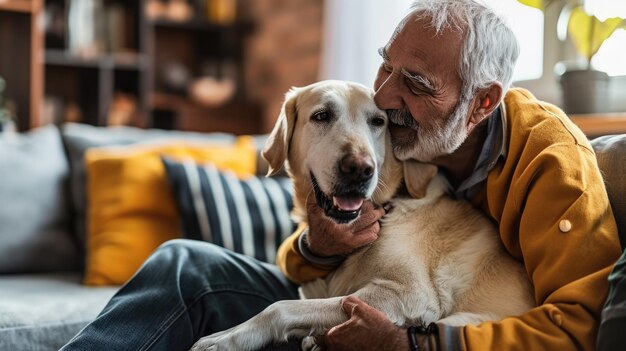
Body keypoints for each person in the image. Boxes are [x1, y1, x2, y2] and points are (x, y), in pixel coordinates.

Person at [62, 0, 621, 350]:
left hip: (436, 325)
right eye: (385, 65)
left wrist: (414, 344)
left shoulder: (551, 164)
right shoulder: (396, 129)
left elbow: (580, 325)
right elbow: (308, 254)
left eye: (417, 84)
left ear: (480, 104)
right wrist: (319, 245)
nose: (386, 96)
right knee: (187, 264)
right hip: (354, 300)